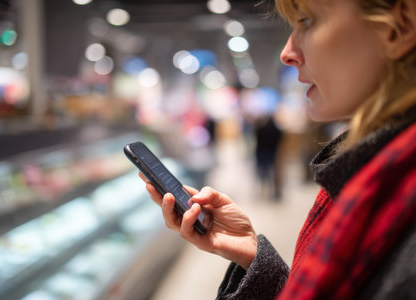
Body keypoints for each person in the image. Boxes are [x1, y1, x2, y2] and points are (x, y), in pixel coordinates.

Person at [139, 0, 416, 299]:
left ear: (399, 27)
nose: (287, 53)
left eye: (307, 21)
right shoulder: (373, 176)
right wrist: (252, 256)